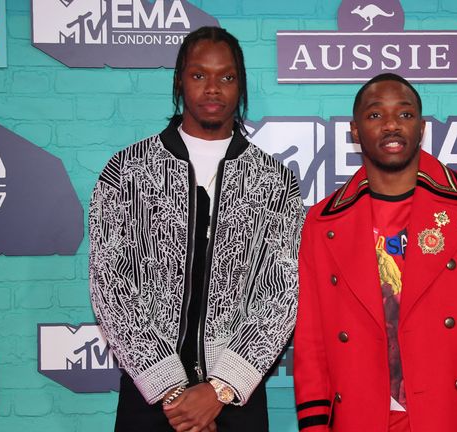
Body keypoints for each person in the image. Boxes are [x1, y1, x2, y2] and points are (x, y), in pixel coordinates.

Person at [89, 26, 304, 432]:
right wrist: (174, 393)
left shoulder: (275, 181)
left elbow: (280, 290)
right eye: (198, 74)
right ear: (179, 80)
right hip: (150, 398)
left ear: (240, 87)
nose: (212, 88)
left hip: (236, 400)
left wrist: (218, 391)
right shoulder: (128, 172)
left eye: (226, 77)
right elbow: (109, 282)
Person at [293, 73, 457, 431]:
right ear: (355, 132)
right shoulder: (323, 222)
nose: (391, 126)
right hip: (357, 420)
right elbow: (311, 344)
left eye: (404, 115)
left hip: (448, 418)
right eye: (375, 116)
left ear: (421, 128)